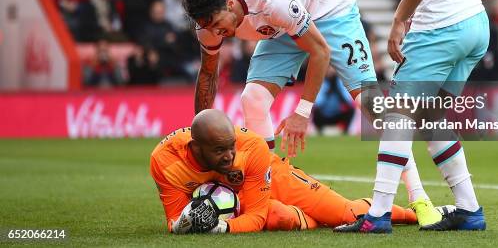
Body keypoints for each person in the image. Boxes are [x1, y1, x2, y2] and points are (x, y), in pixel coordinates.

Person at [338, 0, 488, 232]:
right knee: (429, 117)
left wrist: (399, 20)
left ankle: (377, 216)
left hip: (440, 30)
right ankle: (469, 210)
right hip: (476, 23)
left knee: (396, 116)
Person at [182, 0, 378, 158]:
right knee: (253, 99)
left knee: (369, 101)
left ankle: (411, 186)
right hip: (282, 26)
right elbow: (208, 74)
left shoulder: (272, 0)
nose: (215, 31)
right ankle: (265, 180)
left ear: (230, 3)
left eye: (216, 23)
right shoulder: (207, 25)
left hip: (328, 10)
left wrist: (302, 113)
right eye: (208, 26)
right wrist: (201, 134)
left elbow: (320, 51)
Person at [150, 109, 417, 233]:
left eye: (231, 146)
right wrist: (187, 223)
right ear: (196, 148)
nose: (230, 155)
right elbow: (174, 221)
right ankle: (307, 219)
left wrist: (219, 228)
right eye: (220, 151)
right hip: (236, 200)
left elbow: (254, 218)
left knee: (345, 214)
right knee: (277, 216)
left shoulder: (251, 146)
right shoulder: (165, 162)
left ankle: (411, 214)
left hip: (274, 178)